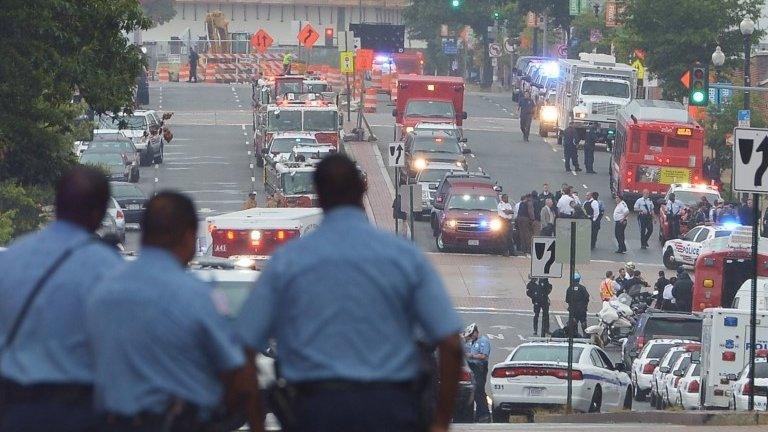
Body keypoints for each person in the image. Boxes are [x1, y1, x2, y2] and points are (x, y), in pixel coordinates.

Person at [235, 154, 463, 432]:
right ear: (363, 189)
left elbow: (244, 348)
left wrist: (257, 424)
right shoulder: (404, 257)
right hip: (389, 409)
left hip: (315, 410)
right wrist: (440, 422)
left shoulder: (287, 262)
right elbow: (450, 343)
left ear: (318, 194)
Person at [86, 192, 262, 432]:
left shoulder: (101, 292)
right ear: (189, 236)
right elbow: (236, 374)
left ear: (143, 234)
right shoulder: (198, 296)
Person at [0, 167, 123, 432]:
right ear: (99, 214)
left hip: (14, 412)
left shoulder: (10, 258)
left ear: (56, 205)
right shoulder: (108, 269)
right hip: (78, 412)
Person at [463, 324, 491, 423]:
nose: (470, 337)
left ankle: (485, 414)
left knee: (479, 390)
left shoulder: (483, 341)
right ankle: (479, 415)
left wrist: (471, 355)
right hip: (472, 368)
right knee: (474, 391)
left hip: (480, 368)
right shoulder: (472, 342)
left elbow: (484, 356)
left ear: (476, 332)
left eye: (471, 335)